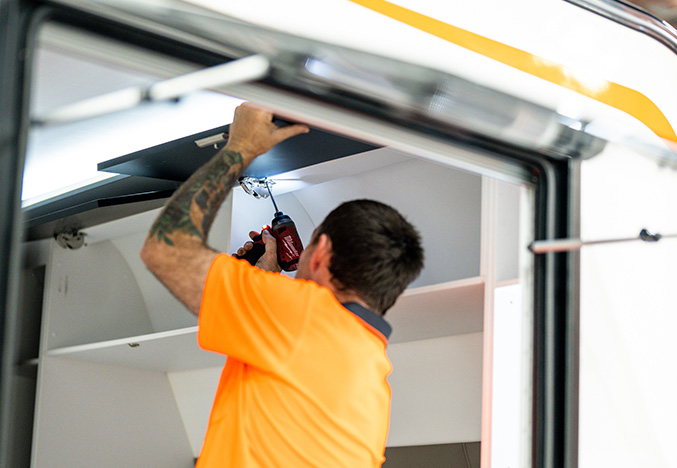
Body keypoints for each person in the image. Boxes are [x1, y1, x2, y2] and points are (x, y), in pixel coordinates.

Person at [140, 103, 424, 468]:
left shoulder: (304, 316)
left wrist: (241, 147)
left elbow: (165, 250)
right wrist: (265, 280)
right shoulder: (371, 374)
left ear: (319, 253)